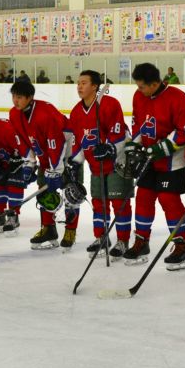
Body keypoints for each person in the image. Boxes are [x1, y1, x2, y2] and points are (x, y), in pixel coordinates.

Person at [121, 63, 185, 270]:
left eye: (142, 86)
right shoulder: (139, 96)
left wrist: (161, 148)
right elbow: (139, 125)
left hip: (173, 160)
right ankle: (141, 241)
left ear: (155, 84)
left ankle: (182, 245)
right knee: (144, 197)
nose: (139, 90)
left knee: (168, 199)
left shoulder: (177, 97)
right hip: (149, 157)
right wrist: (133, 144)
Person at [68, 70, 133, 258]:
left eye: (84, 83)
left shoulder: (110, 104)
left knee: (119, 203)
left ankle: (123, 241)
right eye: (78, 83)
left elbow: (119, 132)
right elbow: (78, 142)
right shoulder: (76, 112)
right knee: (98, 203)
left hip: (118, 163)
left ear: (95, 86)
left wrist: (110, 148)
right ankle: (101, 238)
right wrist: (75, 162)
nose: (79, 86)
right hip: (96, 166)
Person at [8, 80, 77, 250]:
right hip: (47, 156)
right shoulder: (14, 114)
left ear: (30, 97)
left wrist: (56, 171)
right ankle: (48, 229)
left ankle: (70, 231)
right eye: (14, 96)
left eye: (19, 97)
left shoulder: (45, 113)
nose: (15, 100)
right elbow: (22, 141)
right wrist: (30, 163)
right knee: (44, 191)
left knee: (71, 193)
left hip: (69, 153)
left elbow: (56, 142)